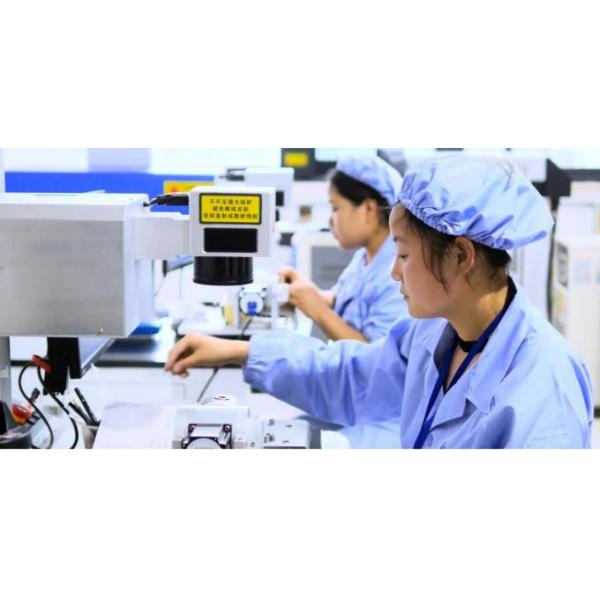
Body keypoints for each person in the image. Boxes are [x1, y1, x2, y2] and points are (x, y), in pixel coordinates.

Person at [166, 154, 594, 449]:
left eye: (403, 255)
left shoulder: (543, 388)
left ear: (461, 256)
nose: (394, 272)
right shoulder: (434, 334)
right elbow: (351, 376)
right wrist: (241, 351)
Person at [280, 154, 408, 344]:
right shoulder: (364, 257)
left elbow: (377, 355)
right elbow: (341, 300)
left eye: (335, 208)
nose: (330, 221)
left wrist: (319, 312)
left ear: (369, 209)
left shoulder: (396, 273)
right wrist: (306, 294)